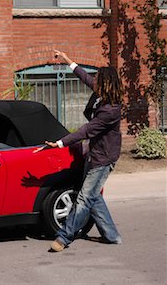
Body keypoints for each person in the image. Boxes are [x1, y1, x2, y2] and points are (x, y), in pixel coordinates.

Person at [43, 50, 124, 252]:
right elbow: (84, 77)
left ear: (106, 84)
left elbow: (86, 130)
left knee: (84, 199)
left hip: (103, 159)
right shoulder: (100, 96)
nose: (94, 81)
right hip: (95, 152)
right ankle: (112, 236)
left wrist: (60, 143)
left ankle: (64, 237)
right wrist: (67, 60)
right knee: (93, 196)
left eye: (98, 79)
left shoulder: (110, 110)